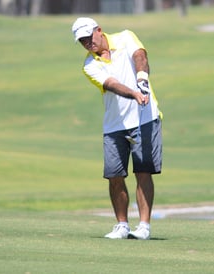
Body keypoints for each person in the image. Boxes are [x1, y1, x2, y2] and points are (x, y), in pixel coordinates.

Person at [71, 17, 162, 240]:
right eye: (82, 41)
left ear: (99, 31)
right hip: (114, 125)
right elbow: (111, 84)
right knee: (114, 176)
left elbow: (140, 55)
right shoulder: (89, 65)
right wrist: (133, 93)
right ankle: (121, 225)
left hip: (145, 118)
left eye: (88, 37)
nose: (87, 43)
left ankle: (143, 227)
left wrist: (142, 79)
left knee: (143, 172)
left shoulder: (125, 37)